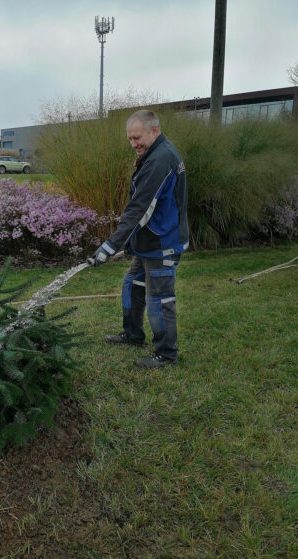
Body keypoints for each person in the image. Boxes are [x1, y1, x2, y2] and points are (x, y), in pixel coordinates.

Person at [89, 109, 189, 369]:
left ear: (154, 130)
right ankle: (133, 334)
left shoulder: (161, 159)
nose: (133, 144)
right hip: (148, 243)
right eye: (130, 139)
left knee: (159, 299)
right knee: (131, 285)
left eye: (137, 138)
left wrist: (109, 247)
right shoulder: (155, 153)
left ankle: (166, 354)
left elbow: (139, 209)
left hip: (162, 243)